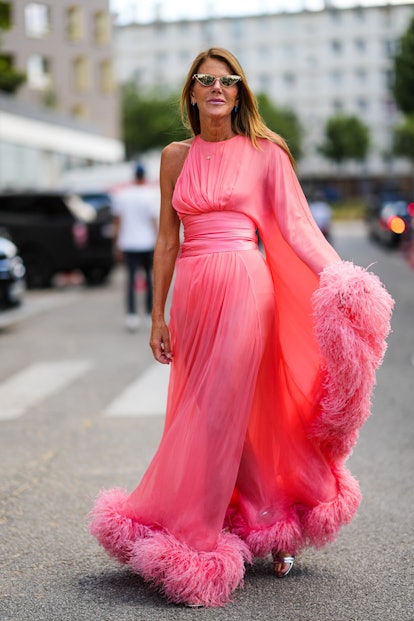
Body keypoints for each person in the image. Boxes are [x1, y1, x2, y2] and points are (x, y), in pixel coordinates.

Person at [89, 48, 394, 607]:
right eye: (205, 81)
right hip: (194, 294)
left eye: (226, 82)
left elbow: (298, 228)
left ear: (239, 92)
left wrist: (344, 278)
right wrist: (158, 314)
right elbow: (166, 240)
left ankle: (199, 542)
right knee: (213, 410)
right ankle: (271, 522)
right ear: (192, 92)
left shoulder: (265, 152)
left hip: (246, 288)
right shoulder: (173, 157)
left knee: (222, 406)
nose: (216, 89)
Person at [112, 164, 159, 331]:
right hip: (147, 242)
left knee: (131, 280)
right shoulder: (150, 195)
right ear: (144, 176)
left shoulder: (123, 195)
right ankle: (148, 314)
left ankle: (131, 315)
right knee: (149, 279)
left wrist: (116, 243)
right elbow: (154, 221)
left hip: (129, 242)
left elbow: (117, 222)